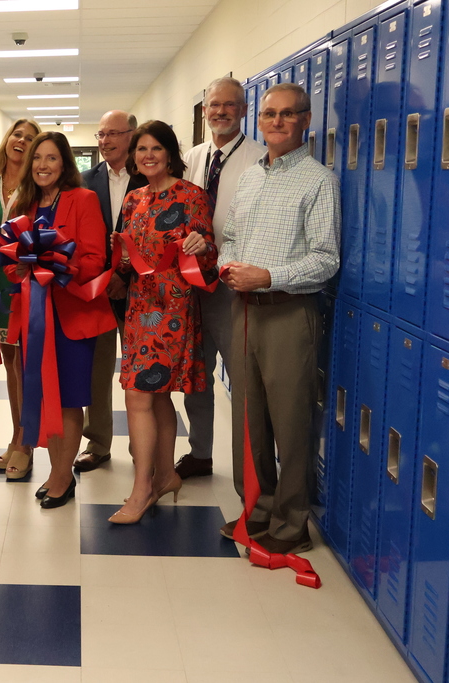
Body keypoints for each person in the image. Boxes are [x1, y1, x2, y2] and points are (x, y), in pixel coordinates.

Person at [220, 83, 340, 554]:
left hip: (288, 312)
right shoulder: (251, 177)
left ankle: (291, 525)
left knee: (289, 424)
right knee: (248, 420)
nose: (277, 122)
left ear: (305, 120)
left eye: (288, 114)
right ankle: (257, 509)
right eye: (270, 114)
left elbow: (326, 259)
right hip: (244, 311)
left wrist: (268, 276)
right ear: (259, 119)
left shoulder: (319, 181)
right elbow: (231, 237)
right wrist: (228, 266)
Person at [110, 121, 217, 524]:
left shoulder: (191, 196)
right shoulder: (133, 199)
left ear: (170, 154)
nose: (148, 155)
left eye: (156, 148)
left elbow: (209, 253)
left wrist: (201, 245)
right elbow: (129, 261)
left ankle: (142, 489)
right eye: (142, 149)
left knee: (137, 395)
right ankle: (167, 475)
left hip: (173, 309)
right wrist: (120, 254)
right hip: (139, 307)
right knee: (155, 396)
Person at [8, 131, 117, 508]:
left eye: (51, 158)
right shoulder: (24, 204)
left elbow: (95, 260)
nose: (43, 165)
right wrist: (18, 267)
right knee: (44, 396)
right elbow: (9, 256)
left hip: (72, 315)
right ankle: (58, 471)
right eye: (37, 158)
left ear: (65, 163)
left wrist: (57, 267)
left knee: (68, 399)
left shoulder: (83, 199)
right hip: (34, 318)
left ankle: (61, 476)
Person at [176, 77, 267, 480]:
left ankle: (250, 468)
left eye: (230, 105)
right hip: (191, 286)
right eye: (214, 105)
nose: (221, 111)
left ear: (244, 110)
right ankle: (200, 452)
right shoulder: (193, 158)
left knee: (242, 378)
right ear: (206, 110)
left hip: (231, 287)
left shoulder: (260, 159)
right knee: (196, 376)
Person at [75, 110, 148, 473]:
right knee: (98, 370)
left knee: (143, 373)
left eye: (113, 134)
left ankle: (144, 449)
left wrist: (125, 274)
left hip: (143, 291)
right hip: (99, 291)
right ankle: (98, 443)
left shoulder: (151, 177)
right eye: (101, 135)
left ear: (132, 135)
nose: (105, 141)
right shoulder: (85, 181)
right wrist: (106, 276)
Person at [0, 118, 40, 479]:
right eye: (17, 134)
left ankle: (25, 442)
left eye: (30, 138)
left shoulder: (37, 183)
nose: (21, 140)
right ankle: (16, 434)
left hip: (23, 280)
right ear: (7, 139)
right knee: (10, 364)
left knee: (24, 363)